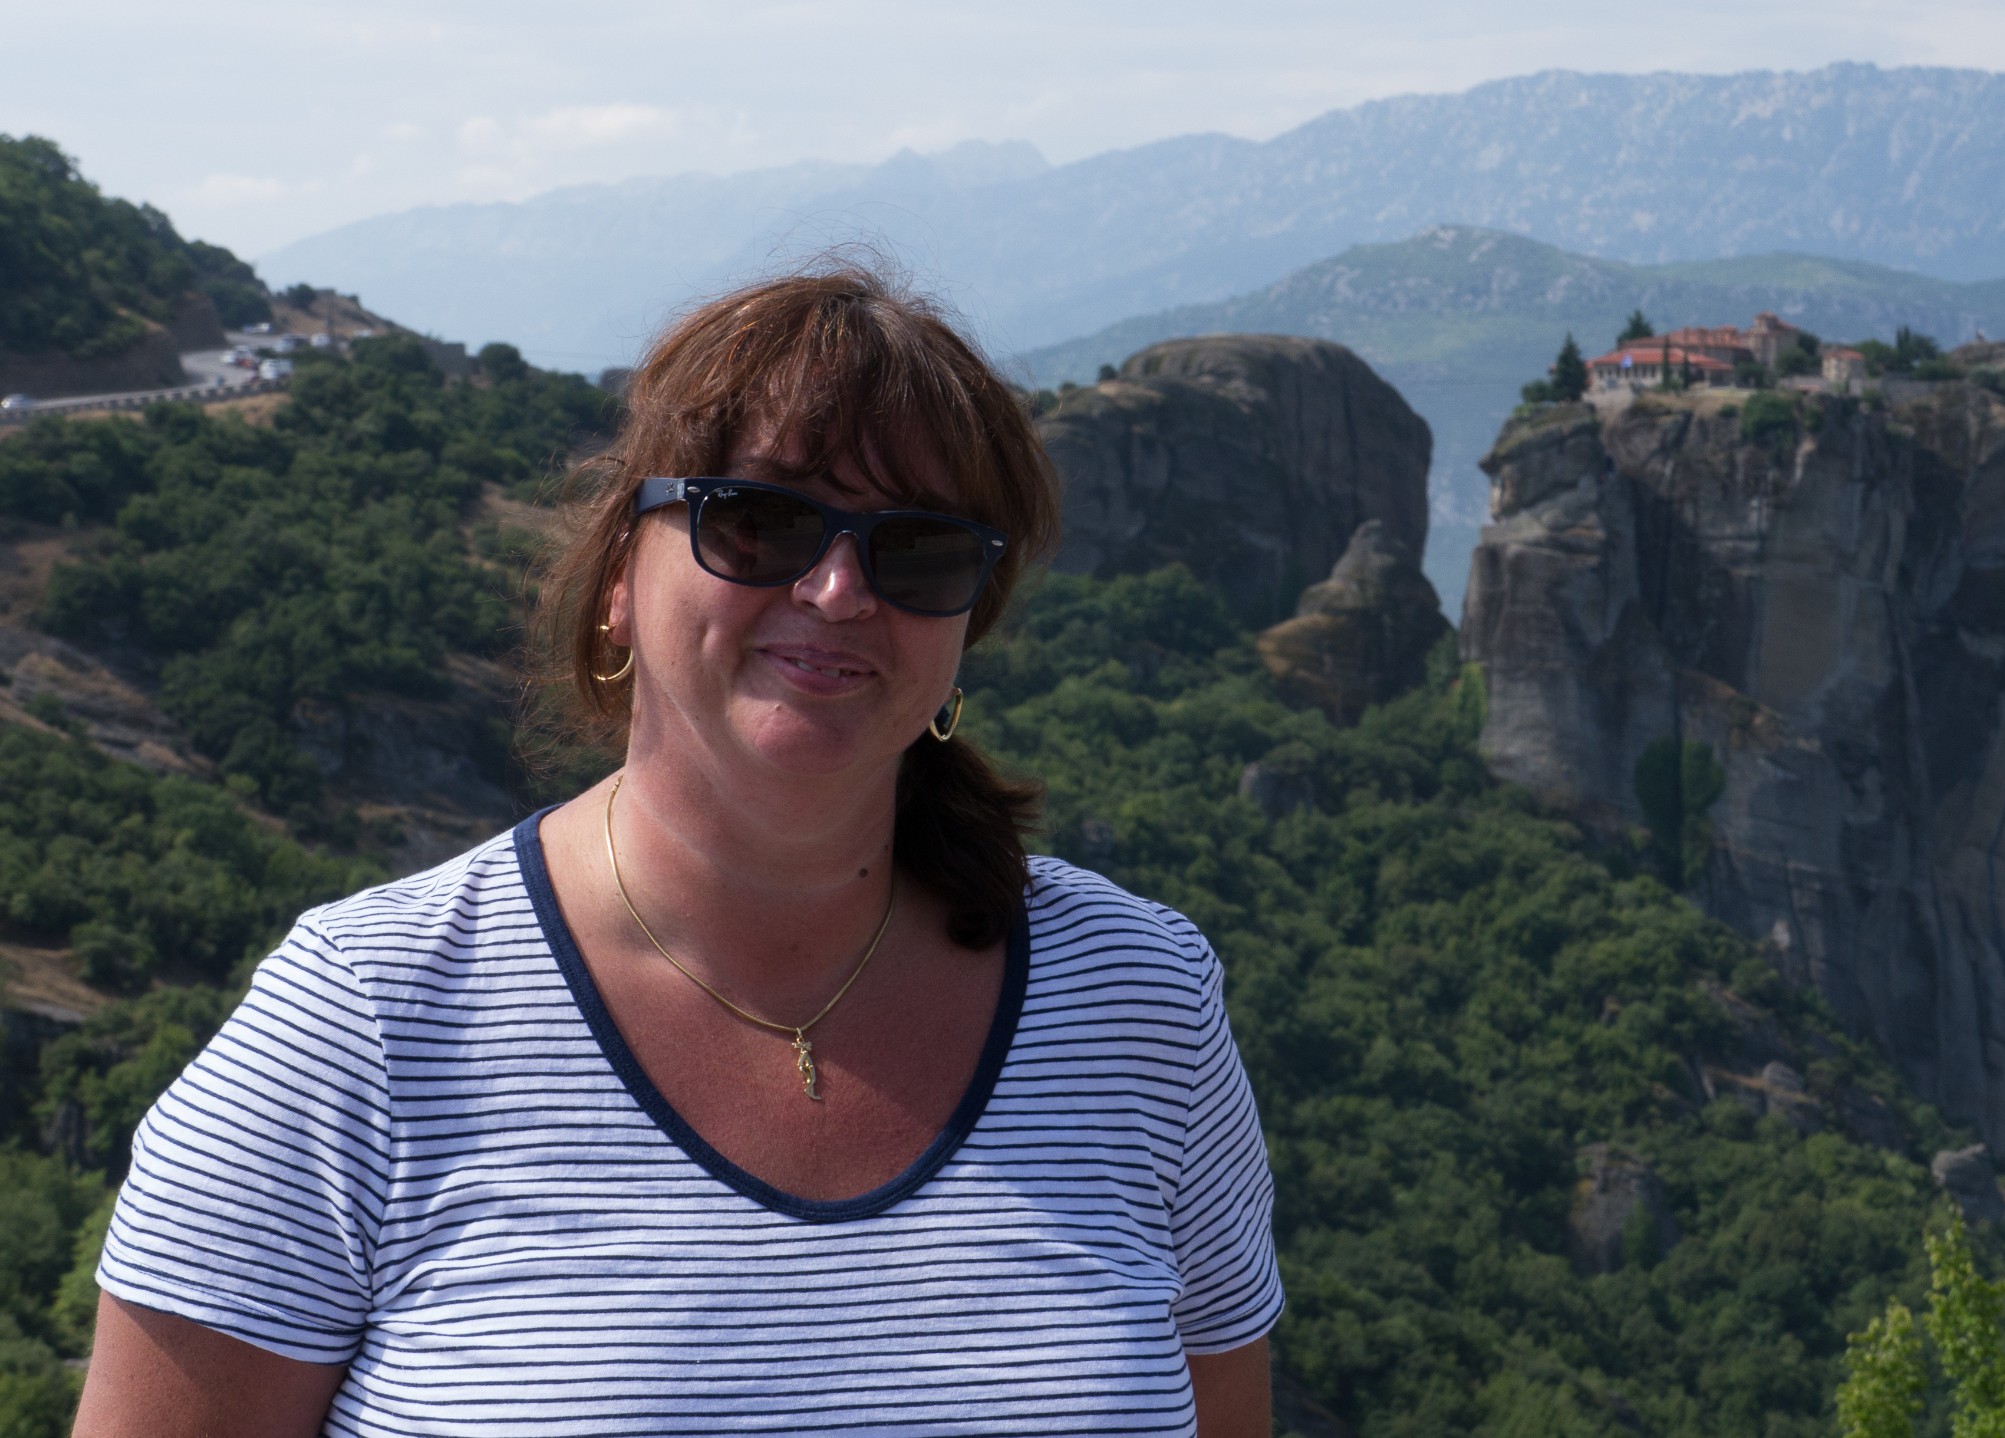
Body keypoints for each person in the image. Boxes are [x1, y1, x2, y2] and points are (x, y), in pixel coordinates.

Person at [72, 268, 1283, 1436]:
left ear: (965, 625)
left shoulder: (1143, 1000)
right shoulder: (368, 1022)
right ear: (619, 576)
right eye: (759, 522)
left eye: (916, 549)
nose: (838, 589)